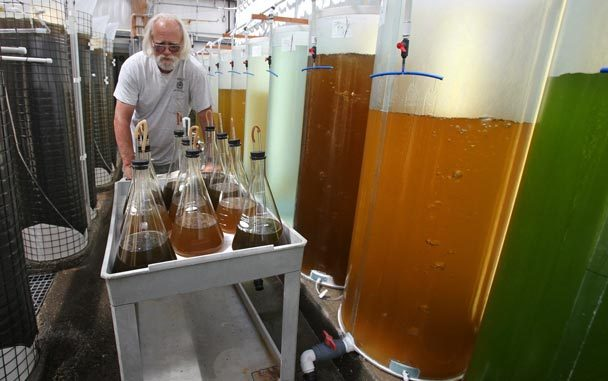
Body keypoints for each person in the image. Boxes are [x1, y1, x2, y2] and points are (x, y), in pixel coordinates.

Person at [114, 13, 212, 179]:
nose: (167, 52)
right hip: (139, 157)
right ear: (151, 43)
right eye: (160, 46)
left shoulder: (194, 71)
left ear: (183, 45)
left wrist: (211, 159)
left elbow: (205, 116)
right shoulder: (134, 67)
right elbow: (121, 118)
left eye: (173, 47)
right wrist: (128, 163)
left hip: (176, 158)